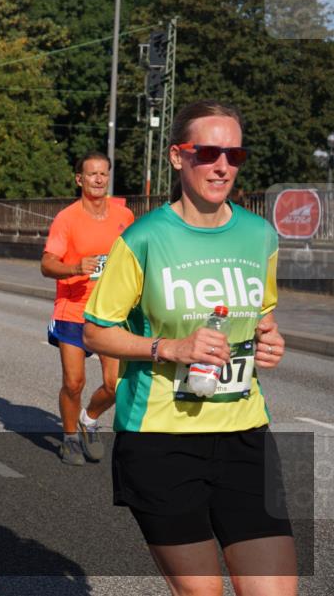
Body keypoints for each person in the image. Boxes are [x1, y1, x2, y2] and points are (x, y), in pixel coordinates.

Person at [83, 100, 294, 594]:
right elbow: (96, 331)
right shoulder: (144, 239)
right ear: (178, 157)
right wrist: (169, 348)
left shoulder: (259, 235)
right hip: (161, 440)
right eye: (208, 152)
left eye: (234, 155)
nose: (222, 165)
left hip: (245, 434)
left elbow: (262, 314)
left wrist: (271, 339)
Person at [41, 152, 134, 466]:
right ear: (79, 179)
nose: (98, 179)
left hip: (110, 312)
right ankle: (69, 438)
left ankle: (89, 419)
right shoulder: (66, 218)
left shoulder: (125, 217)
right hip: (73, 309)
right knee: (74, 382)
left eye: (103, 174)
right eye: (91, 174)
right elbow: (47, 264)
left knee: (114, 384)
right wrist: (74, 267)